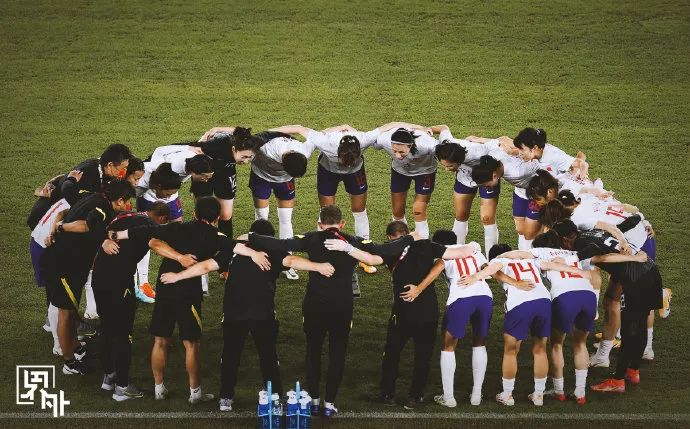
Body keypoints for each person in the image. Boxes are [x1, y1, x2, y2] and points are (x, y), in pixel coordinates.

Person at [246, 205, 420, 417]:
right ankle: (329, 404)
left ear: (320, 224)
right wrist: (409, 238)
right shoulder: (352, 241)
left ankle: (314, 401)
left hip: (314, 305)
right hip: (342, 306)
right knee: (337, 353)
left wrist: (252, 238)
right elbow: (382, 249)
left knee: (313, 351)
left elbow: (282, 244)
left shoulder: (311, 238)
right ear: (342, 223)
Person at [159, 219, 335, 412]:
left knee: (230, 356)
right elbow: (293, 261)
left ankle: (225, 399)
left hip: (234, 313)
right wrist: (319, 266)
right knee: (268, 357)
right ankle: (275, 397)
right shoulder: (273, 251)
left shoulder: (233, 250)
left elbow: (206, 267)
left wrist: (177, 276)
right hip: (263, 313)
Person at [106, 196, 234, 404]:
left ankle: (159, 389)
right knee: (191, 343)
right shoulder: (217, 237)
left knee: (160, 340)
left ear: (195, 213)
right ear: (217, 217)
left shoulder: (176, 227)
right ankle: (195, 393)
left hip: (165, 284)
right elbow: (235, 250)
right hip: (188, 289)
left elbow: (143, 232)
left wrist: (115, 235)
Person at [268, 122, 410, 274]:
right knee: (326, 212)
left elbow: (391, 125)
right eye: (343, 161)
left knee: (359, 210)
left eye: (351, 161)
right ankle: (321, 255)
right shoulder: (326, 142)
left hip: (355, 173)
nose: (346, 165)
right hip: (328, 172)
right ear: (338, 153)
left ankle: (363, 258)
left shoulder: (363, 139)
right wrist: (266, 133)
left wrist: (421, 129)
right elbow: (299, 128)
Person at [462, 243, 587, 406]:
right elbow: (552, 265)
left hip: (519, 304)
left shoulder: (500, 260)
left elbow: (491, 270)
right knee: (540, 349)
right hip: (543, 302)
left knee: (511, 350)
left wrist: (473, 277)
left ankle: (507, 395)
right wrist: (579, 271)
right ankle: (539, 395)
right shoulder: (530, 260)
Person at [551, 220, 663, 394]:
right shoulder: (591, 232)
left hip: (636, 279)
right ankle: (633, 371)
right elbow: (615, 227)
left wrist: (632, 258)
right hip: (651, 270)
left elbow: (601, 256)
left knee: (629, 331)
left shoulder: (581, 244)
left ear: (565, 239)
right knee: (640, 325)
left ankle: (618, 381)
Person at [41, 180, 136, 375]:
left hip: (65, 262)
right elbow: (86, 225)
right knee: (65, 313)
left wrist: (55, 228)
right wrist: (61, 228)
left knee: (71, 311)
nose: (129, 206)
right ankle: (69, 363)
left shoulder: (91, 196)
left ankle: (75, 348)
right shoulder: (102, 208)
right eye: (127, 202)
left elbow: (63, 212)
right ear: (119, 200)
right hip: (66, 265)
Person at [419, 231, 523, 407]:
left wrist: (419, 288)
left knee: (448, 346)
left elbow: (436, 269)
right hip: (484, 297)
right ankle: (476, 395)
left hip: (461, 298)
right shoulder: (474, 251)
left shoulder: (443, 253)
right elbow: (492, 271)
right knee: (479, 343)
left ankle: (449, 397)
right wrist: (515, 283)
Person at [92, 201, 171, 401]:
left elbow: (93, 220)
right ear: (161, 218)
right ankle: (122, 387)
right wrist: (180, 258)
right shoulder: (149, 226)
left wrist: (104, 240)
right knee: (123, 334)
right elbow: (157, 244)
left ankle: (108, 377)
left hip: (98, 278)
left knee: (106, 328)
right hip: (119, 283)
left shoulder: (122, 215)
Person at [247, 128, 317, 280]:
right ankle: (260, 257)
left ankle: (287, 263)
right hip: (261, 176)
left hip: (284, 182)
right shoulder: (267, 149)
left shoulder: (304, 150)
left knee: (286, 218)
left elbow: (317, 136)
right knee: (262, 217)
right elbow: (247, 141)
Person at [27, 144, 133, 230]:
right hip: (45, 215)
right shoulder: (88, 173)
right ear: (110, 165)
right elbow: (68, 191)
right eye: (122, 168)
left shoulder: (101, 168)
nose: (124, 172)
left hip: (57, 211)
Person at [431, 125, 502, 253]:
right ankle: (457, 253)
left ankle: (491, 257)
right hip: (464, 179)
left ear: (458, 160)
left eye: (450, 166)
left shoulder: (478, 151)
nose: (446, 169)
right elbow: (443, 128)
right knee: (461, 214)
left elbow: (498, 143)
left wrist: (479, 139)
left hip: (487, 179)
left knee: (487, 217)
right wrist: (428, 130)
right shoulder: (448, 146)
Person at [372, 125, 440, 239]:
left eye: (401, 152)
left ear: (411, 145)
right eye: (394, 151)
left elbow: (448, 148)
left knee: (419, 209)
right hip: (400, 172)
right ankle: (401, 240)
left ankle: (422, 243)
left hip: (425, 172)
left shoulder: (427, 144)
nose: (397, 156)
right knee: (397, 211)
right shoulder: (384, 139)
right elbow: (366, 139)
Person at [132, 163, 184, 303]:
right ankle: (141, 284)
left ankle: (178, 277)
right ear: (158, 187)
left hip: (165, 199)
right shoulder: (142, 186)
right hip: (148, 201)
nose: (169, 195)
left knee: (178, 231)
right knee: (145, 239)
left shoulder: (173, 180)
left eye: (173, 193)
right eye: (168, 193)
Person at [471, 151, 541, 249]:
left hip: (538, 193)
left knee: (532, 231)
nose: (486, 187)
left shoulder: (518, 172)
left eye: (486, 184)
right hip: (521, 192)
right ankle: (524, 253)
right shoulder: (497, 159)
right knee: (520, 228)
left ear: (494, 176)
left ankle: (539, 253)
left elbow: (541, 164)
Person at [511, 128, 589, 178]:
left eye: (522, 149)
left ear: (535, 148)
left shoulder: (554, 156)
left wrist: (581, 177)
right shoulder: (538, 150)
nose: (520, 153)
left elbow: (582, 161)